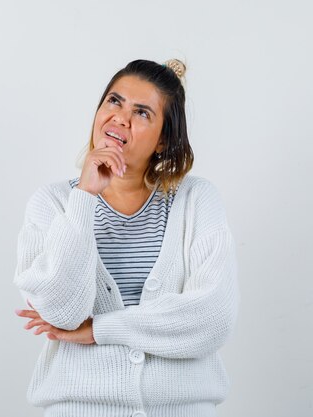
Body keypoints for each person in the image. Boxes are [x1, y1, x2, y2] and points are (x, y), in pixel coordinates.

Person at [13, 58, 240, 417]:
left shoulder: (197, 200)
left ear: (164, 139)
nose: (120, 117)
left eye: (142, 113)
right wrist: (85, 196)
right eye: (114, 101)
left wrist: (100, 329)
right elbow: (62, 314)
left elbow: (212, 319)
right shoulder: (54, 203)